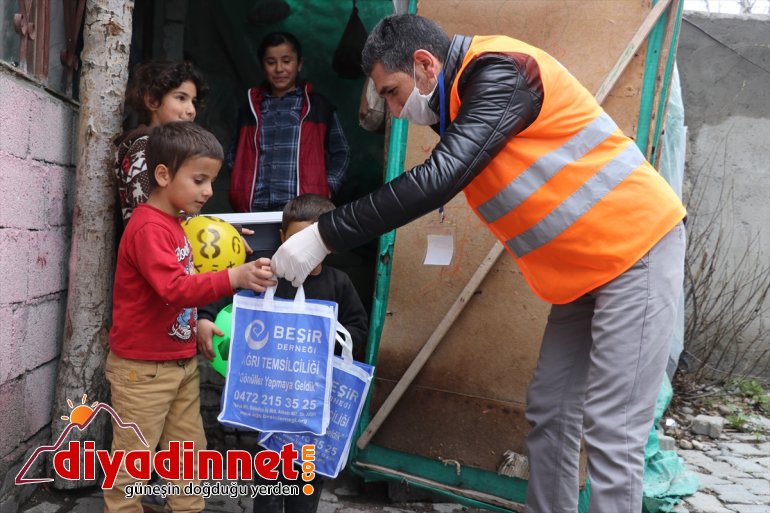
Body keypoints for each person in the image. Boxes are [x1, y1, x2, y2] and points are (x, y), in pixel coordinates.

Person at [270, 14, 686, 513]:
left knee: (613, 430)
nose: (395, 111)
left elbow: (439, 178)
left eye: (394, 92)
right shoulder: (458, 104)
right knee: (552, 412)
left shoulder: (502, 72)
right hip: (582, 274)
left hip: (635, 250)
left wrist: (324, 235)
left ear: (425, 64)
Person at [105, 122, 276, 513]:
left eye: (212, 180)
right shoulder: (147, 227)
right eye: (199, 180)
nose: (209, 191)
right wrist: (234, 277)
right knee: (134, 460)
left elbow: (195, 264)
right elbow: (174, 288)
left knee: (189, 455)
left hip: (179, 362)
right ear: (163, 175)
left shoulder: (177, 223)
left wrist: (226, 239)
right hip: (142, 370)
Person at [198, 194, 369, 513]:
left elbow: (357, 329)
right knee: (268, 479)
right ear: (281, 240)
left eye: (314, 245)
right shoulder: (265, 275)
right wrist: (205, 318)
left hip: (313, 404)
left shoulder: (338, 283)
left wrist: (323, 342)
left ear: (329, 245)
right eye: (296, 242)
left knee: (306, 481)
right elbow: (224, 290)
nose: (304, 254)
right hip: (270, 401)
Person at [228, 32, 351, 213]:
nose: (279, 69)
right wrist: (240, 185)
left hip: (302, 210)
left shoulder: (318, 107)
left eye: (286, 61)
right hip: (254, 207)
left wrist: (328, 187)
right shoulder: (250, 108)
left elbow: (342, 152)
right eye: (271, 62)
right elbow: (234, 154)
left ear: (299, 64)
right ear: (263, 66)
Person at [114, 60, 207, 224]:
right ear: (152, 101)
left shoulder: (170, 148)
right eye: (181, 98)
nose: (191, 110)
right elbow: (151, 220)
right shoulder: (143, 148)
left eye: (193, 101)